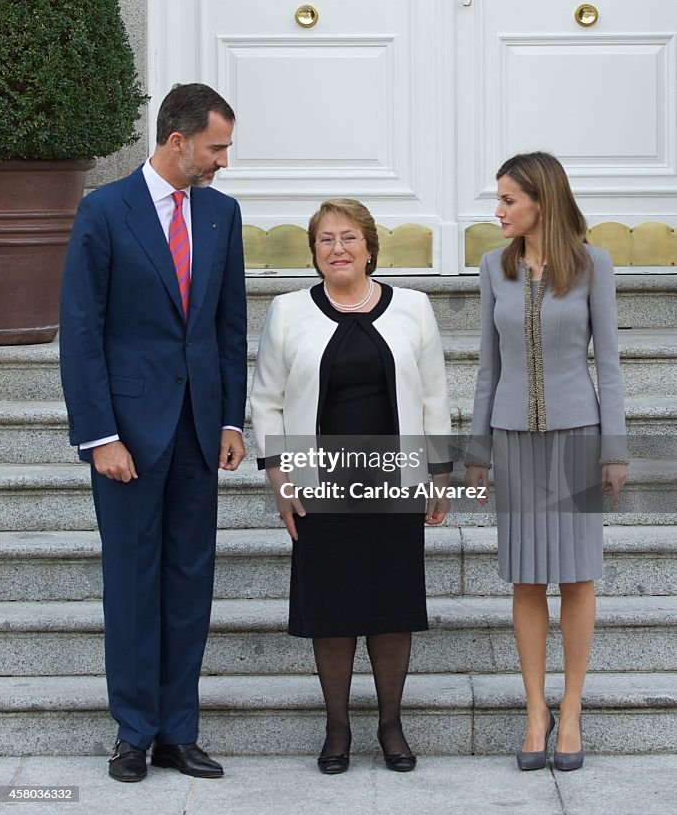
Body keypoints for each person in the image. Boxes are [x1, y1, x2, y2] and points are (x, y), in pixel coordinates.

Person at [59, 83, 247, 782]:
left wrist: (230, 418)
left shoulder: (223, 215)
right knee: (132, 584)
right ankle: (133, 732)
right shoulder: (103, 212)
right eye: (216, 147)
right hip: (128, 438)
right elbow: (80, 333)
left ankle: (177, 732)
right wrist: (100, 434)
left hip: (199, 431)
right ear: (177, 142)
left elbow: (229, 328)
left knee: (189, 582)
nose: (223, 161)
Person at [250, 199, 452, 775]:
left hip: (395, 480)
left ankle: (391, 724)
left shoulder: (414, 307)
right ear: (313, 253)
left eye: (349, 237)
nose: (338, 249)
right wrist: (277, 475)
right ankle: (337, 727)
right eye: (325, 240)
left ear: (370, 246)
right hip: (321, 485)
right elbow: (266, 398)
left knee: (391, 606)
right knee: (332, 609)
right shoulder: (288, 312)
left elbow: (435, 396)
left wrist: (438, 474)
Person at [465, 152, 628, 772]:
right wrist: (476, 449)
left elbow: (608, 366)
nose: (499, 211)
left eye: (509, 200)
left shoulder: (593, 266)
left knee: (578, 577)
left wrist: (614, 449)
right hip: (513, 439)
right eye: (499, 200)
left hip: (578, 437)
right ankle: (536, 712)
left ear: (542, 201)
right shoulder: (492, 267)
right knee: (528, 577)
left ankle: (572, 709)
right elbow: (488, 368)